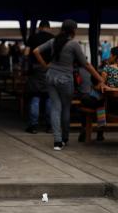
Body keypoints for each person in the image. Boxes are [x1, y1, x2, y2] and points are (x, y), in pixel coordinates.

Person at [34, 19, 105, 151]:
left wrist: (45, 66)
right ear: (73, 31)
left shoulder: (53, 41)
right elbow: (86, 64)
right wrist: (100, 78)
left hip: (50, 77)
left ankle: (57, 141)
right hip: (65, 79)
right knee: (66, 108)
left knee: (56, 108)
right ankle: (65, 138)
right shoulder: (73, 44)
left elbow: (36, 51)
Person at [25, 20, 54, 134]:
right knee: (48, 97)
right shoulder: (54, 38)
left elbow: (26, 53)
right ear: (49, 28)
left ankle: (33, 126)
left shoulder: (33, 37)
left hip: (36, 70)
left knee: (35, 97)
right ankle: (50, 126)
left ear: (39, 27)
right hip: (50, 69)